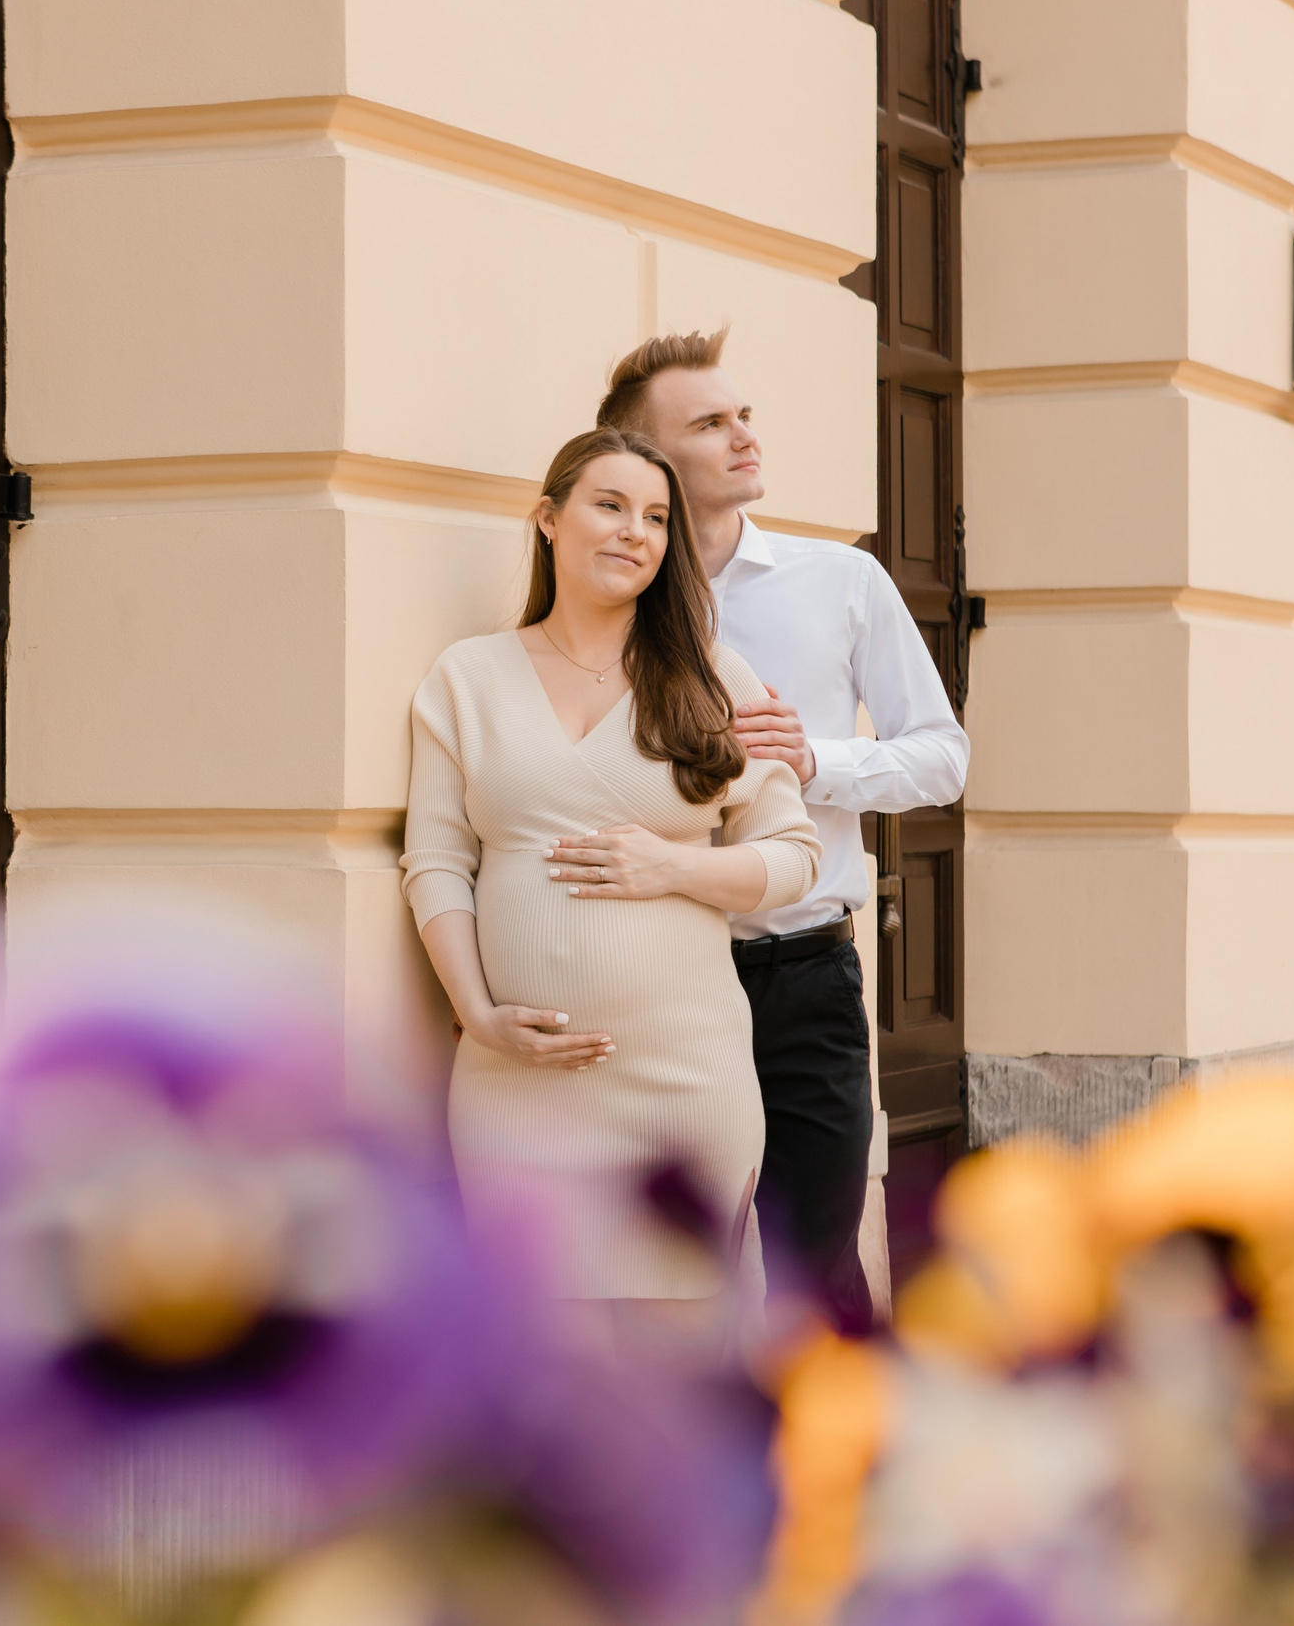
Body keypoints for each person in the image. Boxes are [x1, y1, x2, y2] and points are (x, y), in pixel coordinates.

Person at [401, 428, 823, 1357]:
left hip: (682, 1082)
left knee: (684, 1366)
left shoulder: (713, 678)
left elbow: (792, 854)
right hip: (518, 1083)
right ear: (549, 518)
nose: (636, 531)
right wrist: (476, 1012)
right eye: (610, 505)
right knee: (535, 1368)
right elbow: (436, 858)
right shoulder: (467, 678)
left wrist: (675, 868)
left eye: (658, 517)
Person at [595, 329, 969, 1325]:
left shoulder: (840, 583)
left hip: (805, 977)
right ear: (649, 463)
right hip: (659, 982)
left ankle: (862, 1473)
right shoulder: (610, 603)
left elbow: (941, 755)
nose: (743, 437)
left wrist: (815, 761)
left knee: (817, 1273)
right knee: (674, 1278)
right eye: (710, 424)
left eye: (743, 415)